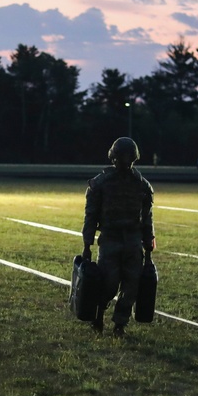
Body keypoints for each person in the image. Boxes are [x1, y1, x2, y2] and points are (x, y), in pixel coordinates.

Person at [81, 137, 155, 337]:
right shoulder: (101, 184)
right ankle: (98, 314)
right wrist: (87, 243)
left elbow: (147, 217)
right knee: (109, 282)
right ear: (114, 157)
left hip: (133, 239)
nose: (125, 160)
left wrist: (149, 241)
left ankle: (120, 324)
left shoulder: (141, 185)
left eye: (129, 156)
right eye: (122, 156)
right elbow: (91, 215)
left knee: (132, 285)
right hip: (110, 239)